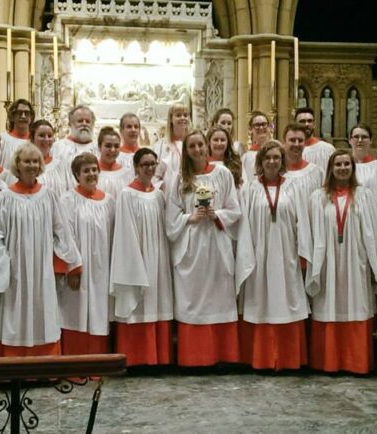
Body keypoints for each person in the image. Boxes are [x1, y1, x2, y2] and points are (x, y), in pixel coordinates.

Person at [0, 143, 82, 357]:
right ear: (17, 165)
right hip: (15, 268)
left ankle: (44, 365)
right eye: (26, 161)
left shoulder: (48, 195)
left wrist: (73, 264)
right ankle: (12, 365)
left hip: (42, 267)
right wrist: (2, 267)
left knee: (42, 310)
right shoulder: (6, 196)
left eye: (35, 161)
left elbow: (62, 230)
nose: (31, 165)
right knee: (14, 311)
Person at [166, 131, 242, 367]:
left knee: (219, 296)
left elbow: (234, 209)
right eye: (192, 146)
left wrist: (216, 214)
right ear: (186, 151)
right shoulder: (180, 179)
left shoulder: (222, 173)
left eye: (200, 144)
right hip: (192, 247)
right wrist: (192, 217)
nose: (197, 149)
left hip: (217, 244)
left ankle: (223, 356)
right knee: (194, 299)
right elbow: (171, 219)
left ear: (206, 146)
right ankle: (194, 357)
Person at [236, 142, 312, 370]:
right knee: (261, 301)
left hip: (287, 254)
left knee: (286, 300)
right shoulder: (250, 189)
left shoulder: (293, 187)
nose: (272, 162)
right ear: (260, 161)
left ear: (282, 161)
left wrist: (302, 254)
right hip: (259, 256)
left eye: (276, 158)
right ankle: (261, 358)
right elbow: (244, 227)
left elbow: (303, 223)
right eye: (267, 157)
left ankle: (288, 359)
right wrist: (247, 256)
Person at [308, 149, 377, 374]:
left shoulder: (364, 195)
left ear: (353, 168)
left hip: (355, 259)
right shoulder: (318, 197)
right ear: (331, 168)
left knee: (355, 304)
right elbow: (312, 233)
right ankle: (328, 361)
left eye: (346, 164)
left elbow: (373, 233)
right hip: (328, 260)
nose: (342, 168)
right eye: (338, 164)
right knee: (329, 303)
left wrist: (373, 265)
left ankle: (355, 361)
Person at [110, 148, 174, 367]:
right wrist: (135, 262)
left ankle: (158, 358)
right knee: (139, 305)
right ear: (136, 168)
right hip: (137, 257)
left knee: (158, 302)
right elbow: (125, 232)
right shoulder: (127, 194)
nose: (149, 168)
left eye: (152, 164)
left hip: (159, 257)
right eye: (145, 164)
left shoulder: (159, 195)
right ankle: (137, 358)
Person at [57, 153, 116, 355]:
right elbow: (65, 236)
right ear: (76, 174)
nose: (91, 174)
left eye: (94, 169)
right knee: (76, 311)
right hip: (78, 268)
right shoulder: (67, 200)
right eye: (86, 170)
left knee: (99, 311)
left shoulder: (108, 201)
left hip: (102, 267)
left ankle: (97, 363)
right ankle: (76, 365)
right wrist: (73, 267)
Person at [348, 124, 377, 204]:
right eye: (356, 137)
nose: (360, 140)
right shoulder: (344, 167)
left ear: (370, 141)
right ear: (350, 140)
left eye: (364, 137)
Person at [31, 119, 73, 197]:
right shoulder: (25, 166)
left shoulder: (62, 166)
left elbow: (71, 193)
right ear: (32, 138)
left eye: (50, 136)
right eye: (41, 135)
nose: (46, 139)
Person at [154, 103, 190, 190]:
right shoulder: (162, 145)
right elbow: (155, 174)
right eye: (178, 115)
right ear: (171, 119)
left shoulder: (192, 143)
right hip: (168, 193)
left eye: (185, 115)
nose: (182, 118)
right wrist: (162, 187)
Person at [96, 126, 134, 199]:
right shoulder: (92, 173)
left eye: (116, 146)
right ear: (99, 147)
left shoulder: (127, 174)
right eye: (108, 146)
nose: (113, 150)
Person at [0, 99, 35, 170]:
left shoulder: (36, 141)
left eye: (27, 113)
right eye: (19, 112)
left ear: (31, 117)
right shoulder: (2, 140)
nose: (23, 116)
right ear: (12, 116)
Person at [296, 108, 335, 173]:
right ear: (295, 124)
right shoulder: (290, 152)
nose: (306, 124)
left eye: (310, 121)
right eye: (302, 121)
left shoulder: (328, 149)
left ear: (314, 124)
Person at [241, 111, 271, 185]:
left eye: (264, 124)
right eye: (257, 125)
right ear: (251, 129)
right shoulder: (246, 158)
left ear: (269, 127)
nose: (261, 128)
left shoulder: (278, 151)